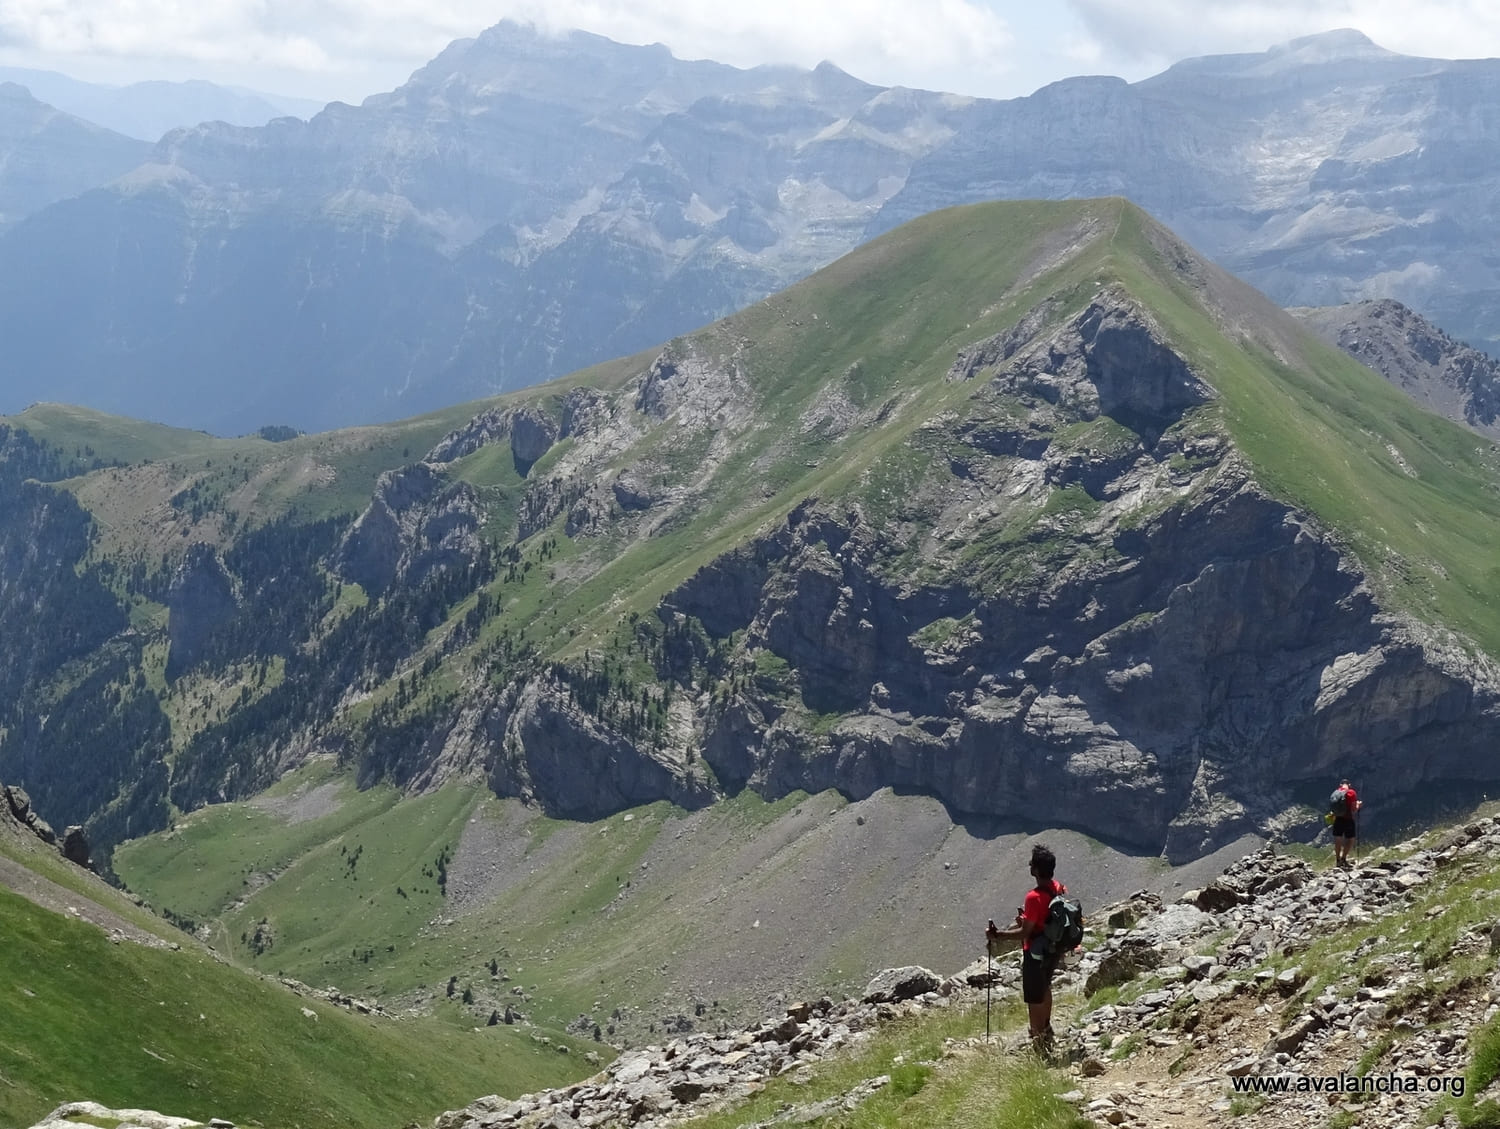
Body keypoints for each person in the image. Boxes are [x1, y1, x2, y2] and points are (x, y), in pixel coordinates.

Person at [986, 843, 1067, 1050]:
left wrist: (998, 936)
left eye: (1032, 863)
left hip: (1035, 952)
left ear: (1036, 870)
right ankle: (1046, 1028)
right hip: (1053, 948)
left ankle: (1038, 1039)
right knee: (1045, 986)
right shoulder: (1056, 887)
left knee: (1033, 996)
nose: (1029, 866)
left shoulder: (1033, 897)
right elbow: (1043, 919)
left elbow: (1025, 933)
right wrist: (1027, 919)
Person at [1332, 779, 1361, 867]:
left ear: (1340, 785)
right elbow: (1353, 809)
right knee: (1350, 839)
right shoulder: (1351, 793)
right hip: (1348, 819)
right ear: (1349, 784)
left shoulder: (1336, 793)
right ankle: (1343, 858)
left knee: (1338, 839)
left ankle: (1337, 860)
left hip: (1337, 819)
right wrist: (1358, 805)